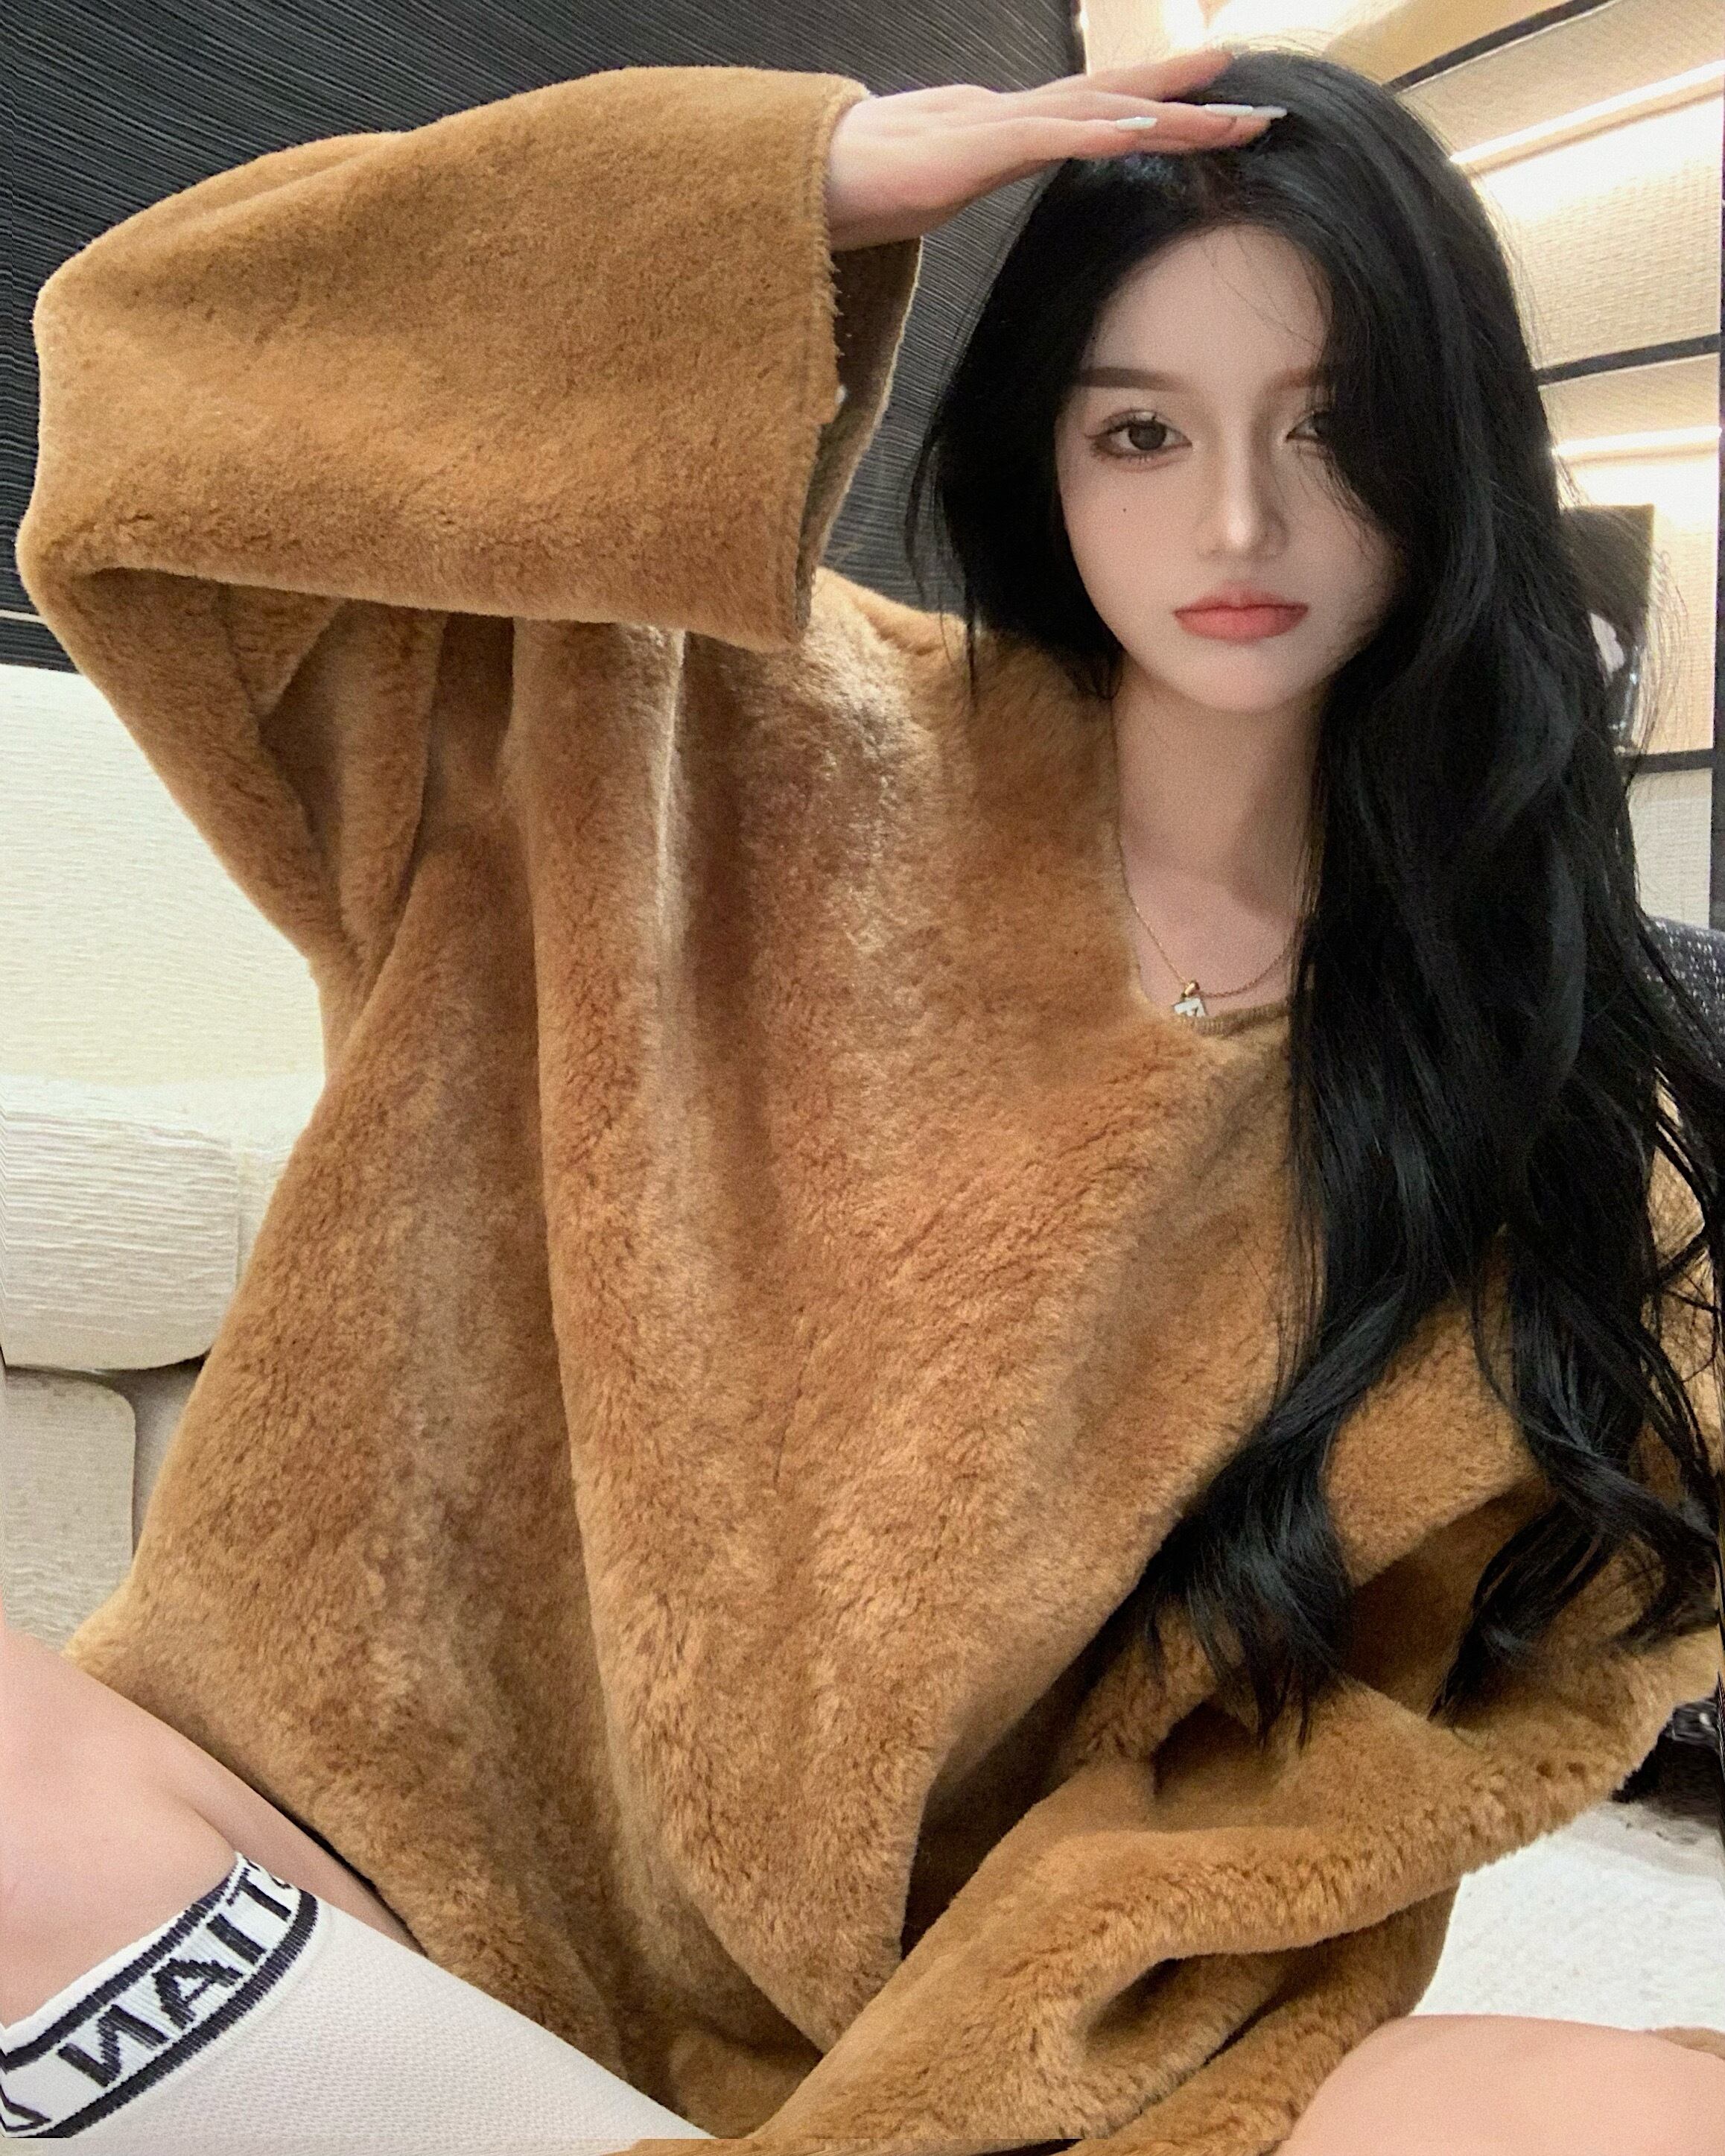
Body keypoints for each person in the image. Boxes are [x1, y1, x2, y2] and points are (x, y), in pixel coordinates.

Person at [6, 41, 1724, 2156]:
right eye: (1139, 429)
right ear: (1041, 451)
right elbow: (152, 397)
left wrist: (985, 2053)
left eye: (1333, 427)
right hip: (395, 1908)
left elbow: (1447, 1717)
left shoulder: (1519, 1082)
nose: (1237, 521)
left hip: (1002, 2040)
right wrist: (777, 191)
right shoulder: (672, 725)